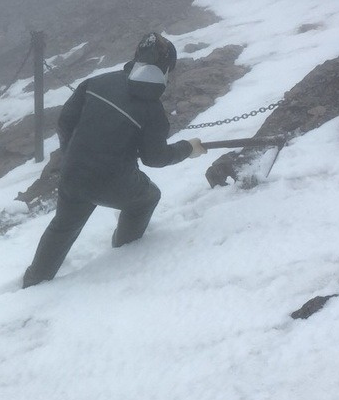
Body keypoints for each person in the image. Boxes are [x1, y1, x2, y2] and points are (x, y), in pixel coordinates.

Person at [22, 33, 207, 288]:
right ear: (166, 70)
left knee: (63, 226)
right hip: (113, 182)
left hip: (73, 172)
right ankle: (124, 252)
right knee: (147, 198)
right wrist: (188, 148)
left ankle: (34, 280)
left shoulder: (98, 82)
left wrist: (73, 153)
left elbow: (65, 121)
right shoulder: (152, 111)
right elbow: (155, 158)